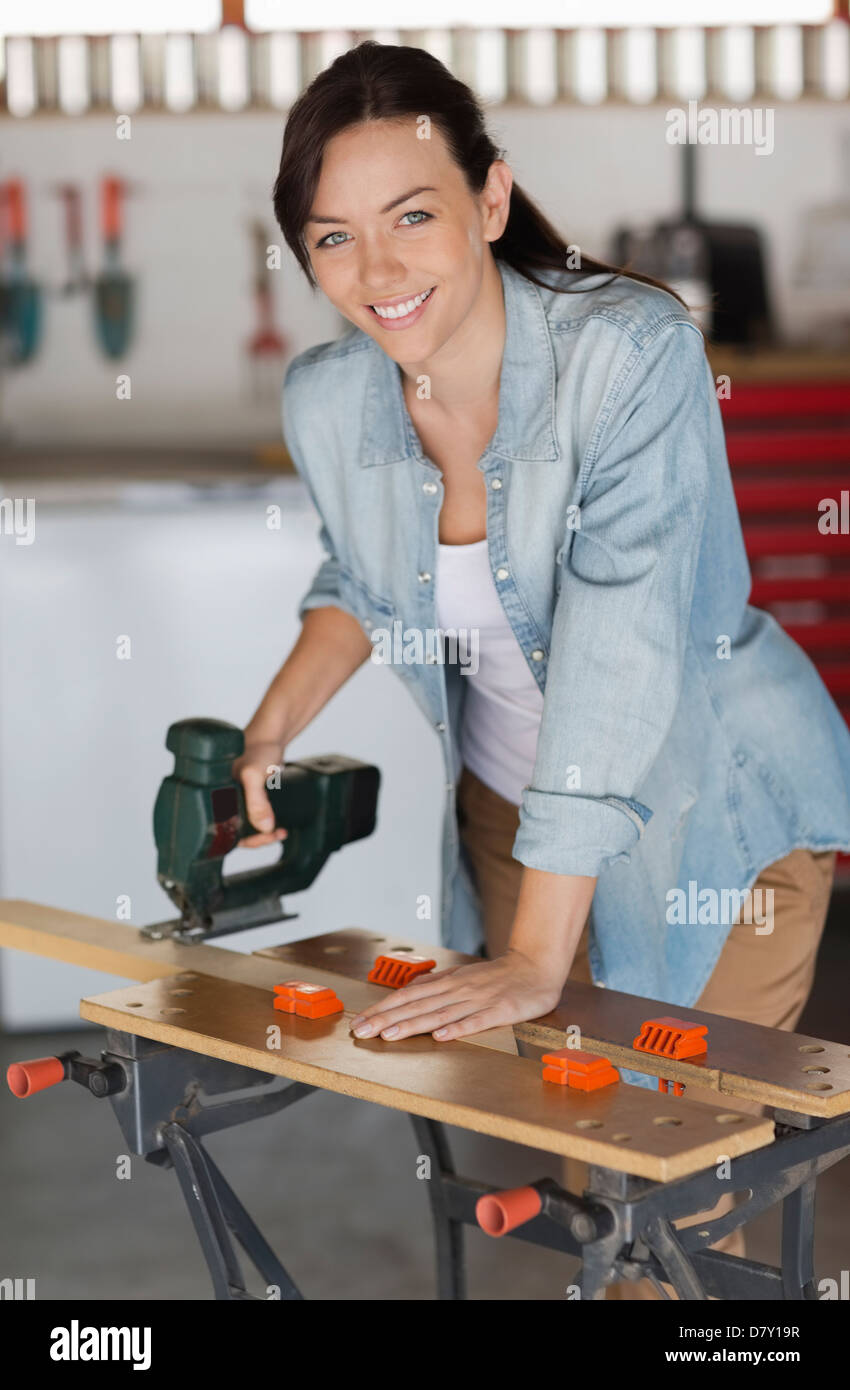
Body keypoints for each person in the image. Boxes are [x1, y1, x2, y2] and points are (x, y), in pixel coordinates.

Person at [234, 41, 850, 1298]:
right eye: (333, 236)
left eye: (413, 217)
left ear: (493, 201)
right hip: (511, 815)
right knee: (576, 1156)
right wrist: (269, 730)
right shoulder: (328, 397)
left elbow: (622, 652)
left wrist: (530, 957)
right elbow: (360, 583)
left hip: (709, 818)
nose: (378, 270)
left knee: (674, 1189)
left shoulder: (628, 358)